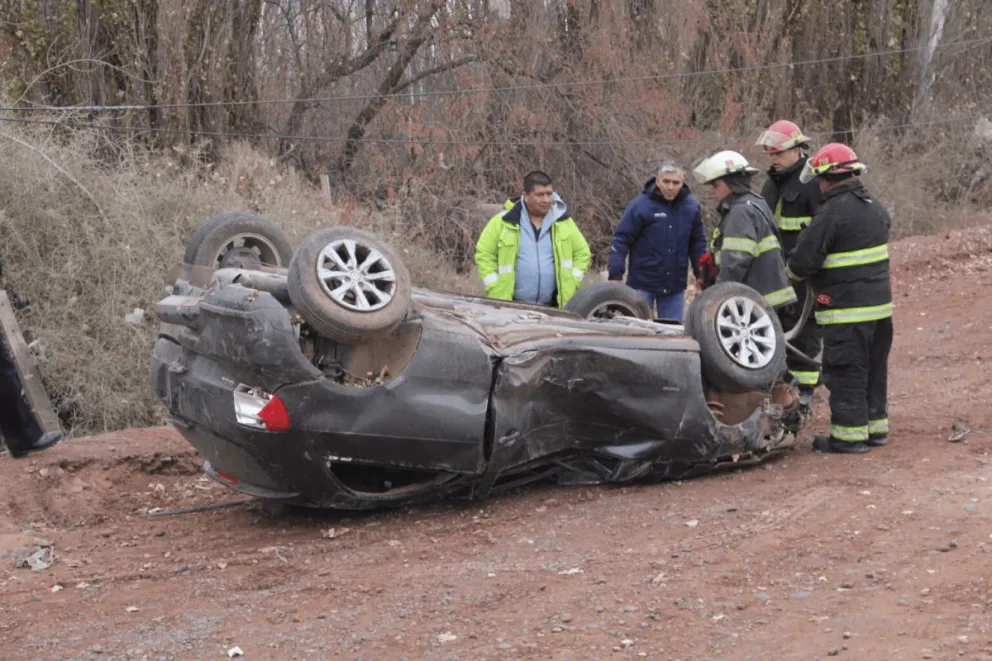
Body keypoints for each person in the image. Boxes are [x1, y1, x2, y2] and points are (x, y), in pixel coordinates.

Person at [786, 143, 892, 454]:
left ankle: (848, 437)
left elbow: (801, 262)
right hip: (880, 311)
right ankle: (876, 429)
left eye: (820, 179)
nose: (818, 185)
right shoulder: (874, 206)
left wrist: (791, 274)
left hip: (847, 312)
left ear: (830, 178)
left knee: (846, 371)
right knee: (874, 370)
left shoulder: (831, 212)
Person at [757, 121, 823, 398]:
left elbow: (822, 231)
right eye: (771, 155)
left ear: (797, 149)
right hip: (776, 272)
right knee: (779, 327)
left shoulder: (813, 183)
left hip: (804, 273)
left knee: (806, 329)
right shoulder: (771, 184)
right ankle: (782, 386)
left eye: (778, 154)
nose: (774, 160)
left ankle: (805, 389)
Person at [690, 150, 797, 310]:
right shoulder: (755, 203)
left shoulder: (740, 212)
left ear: (731, 183)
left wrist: (718, 298)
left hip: (755, 302)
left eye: (716, 185)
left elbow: (734, 261)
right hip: (767, 300)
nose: (713, 190)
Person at [475, 170, 590, 308]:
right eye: (540, 194)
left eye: (549, 194)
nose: (546, 200)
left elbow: (582, 253)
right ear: (525, 195)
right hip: (511, 307)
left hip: (554, 308)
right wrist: (494, 286)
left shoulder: (563, 222)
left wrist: (572, 281)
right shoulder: (503, 221)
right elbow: (484, 253)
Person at [607, 162, 706, 321]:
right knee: (638, 332)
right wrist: (615, 274)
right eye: (666, 181)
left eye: (676, 182)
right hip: (642, 284)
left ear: (683, 181)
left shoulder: (691, 207)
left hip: (674, 286)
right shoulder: (640, 205)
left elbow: (697, 244)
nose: (670, 187)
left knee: (672, 333)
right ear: (658, 180)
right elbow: (621, 239)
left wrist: (702, 276)